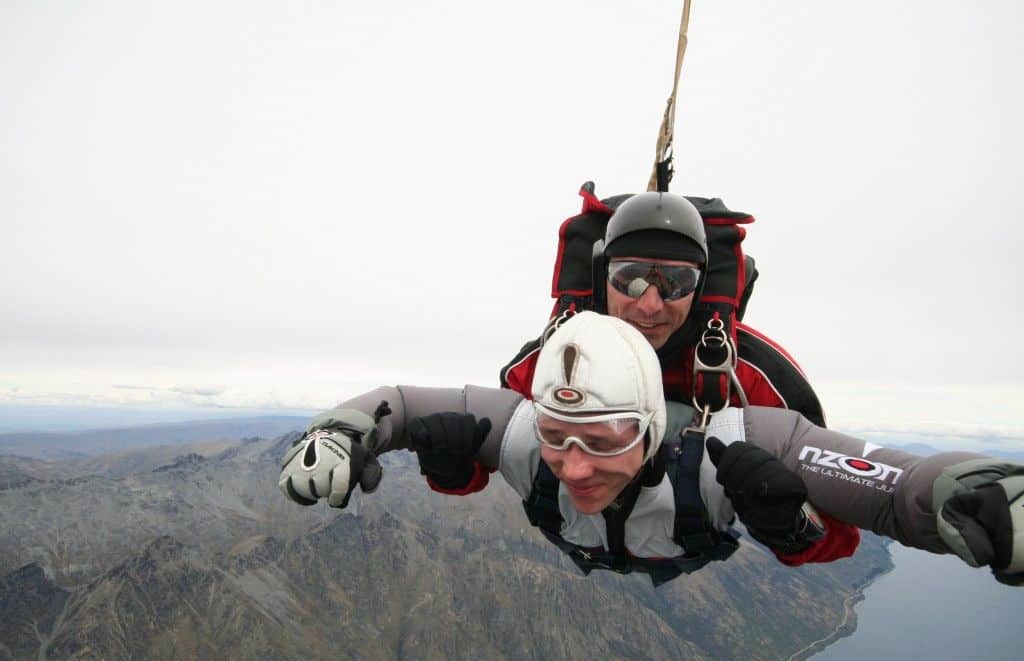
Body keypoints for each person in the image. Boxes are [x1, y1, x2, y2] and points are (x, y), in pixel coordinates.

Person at [278, 312, 1024, 587]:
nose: (570, 468)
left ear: (650, 429)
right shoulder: (516, 434)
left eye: (602, 442)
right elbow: (399, 406)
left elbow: (892, 488)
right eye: (555, 437)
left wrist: (975, 494)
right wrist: (337, 433)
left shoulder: (735, 443)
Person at [500, 190, 857, 565]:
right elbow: (497, 438)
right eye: (629, 279)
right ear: (600, 277)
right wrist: (454, 466)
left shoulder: (752, 375)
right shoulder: (555, 360)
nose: (650, 303)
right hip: (582, 526)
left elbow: (839, 534)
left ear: (700, 287)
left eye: (676, 282)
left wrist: (788, 526)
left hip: (690, 538)